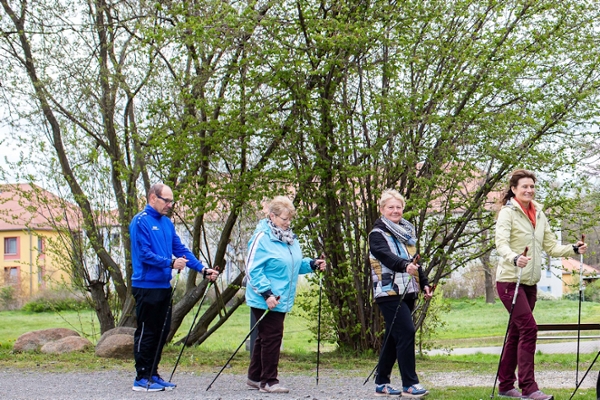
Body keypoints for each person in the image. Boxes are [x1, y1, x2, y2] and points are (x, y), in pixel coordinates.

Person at [495, 169, 587, 400]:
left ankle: (506, 385)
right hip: (509, 281)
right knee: (529, 329)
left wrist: (573, 249)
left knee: (517, 332)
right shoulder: (508, 213)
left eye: (532, 186)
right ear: (514, 189)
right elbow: (501, 243)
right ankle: (529, 388)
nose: (529, 190)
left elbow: (552, 247)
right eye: (524, 186)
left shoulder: (539, 213)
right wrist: (515, 257)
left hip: (530, 282)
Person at [129, 183, 219, 392]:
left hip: (163, 285)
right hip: (146, 285)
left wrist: (203, 270)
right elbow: (144, 254)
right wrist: (169, 263)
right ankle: (141, 377)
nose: (170, 205)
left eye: (171, 201)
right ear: (153, 198)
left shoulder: (167, 224)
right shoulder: (140, 221)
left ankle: (153, 373)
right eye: (166, 200)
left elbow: (181, 250)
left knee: (162, 330)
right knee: (147, 331)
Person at [245, 195, 326, 393]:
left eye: (290, 219)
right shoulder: (262, 238)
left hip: (282, 296)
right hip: (265, 297)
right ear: (272, 216)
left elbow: (293, 265)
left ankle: (255, 377)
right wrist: (267, 293)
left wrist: (312, 264)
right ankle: (269, 381)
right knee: (272, 336)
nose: (288, 222)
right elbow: (252, 268)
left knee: (265, 336)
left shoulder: (289, 239)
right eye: (284, 219)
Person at [369, 189, 432, 398]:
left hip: (409, 290)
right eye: (390, 207)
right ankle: (410, 384)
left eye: (398, 207)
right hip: (388, 292)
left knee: (394, 337)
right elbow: (386, 257)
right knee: (406, 331)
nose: (395, 211)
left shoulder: (407, 233)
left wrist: (424, 283)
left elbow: (415, 261)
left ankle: (381, 383)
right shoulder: (377, 234)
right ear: (382, 210)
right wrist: (405, 265)